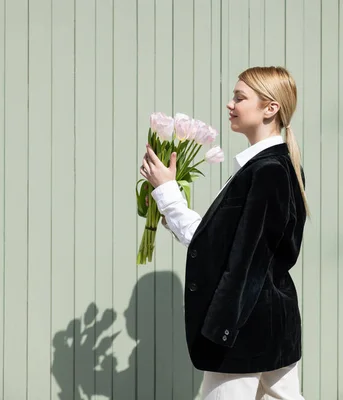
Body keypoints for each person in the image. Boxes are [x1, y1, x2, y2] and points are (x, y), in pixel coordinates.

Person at [139, 66, 308, 400]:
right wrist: (168, 191)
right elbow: (227, 244)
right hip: (268, 323)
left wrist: (220, 331)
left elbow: (244, 260)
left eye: (240, 97)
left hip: (243, 327)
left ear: (270, 108)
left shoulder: (268, 171)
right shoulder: (274, 166)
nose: (230, 104)